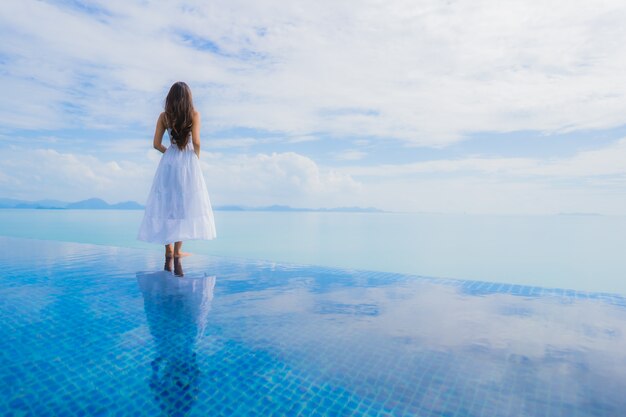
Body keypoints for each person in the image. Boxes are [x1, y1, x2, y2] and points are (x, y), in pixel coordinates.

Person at [137, 81, 217, 275]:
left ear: (170, 97)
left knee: (166, 203)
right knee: (183, 204)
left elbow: (156, 144)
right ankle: (178, 251)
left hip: (169, 161)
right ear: (188, 97)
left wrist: (169, 154)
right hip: (187, 162)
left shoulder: (164, 116)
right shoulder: (194, 114)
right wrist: (194, 157)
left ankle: (168, 250)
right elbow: (196, 141)